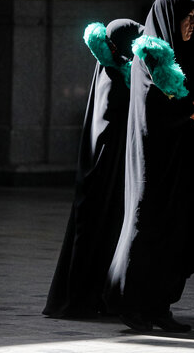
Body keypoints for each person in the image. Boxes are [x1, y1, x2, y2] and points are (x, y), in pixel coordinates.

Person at [103, 0, 194, 332]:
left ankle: (158, 306)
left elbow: (180, 96)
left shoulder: (174, 54)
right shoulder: (149, 52)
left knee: (174, 230)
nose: (193, 23)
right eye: (187, 16)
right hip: (154, 160)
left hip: (175, 159)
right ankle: (132, 304)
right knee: (148, 226)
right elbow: (155, 105)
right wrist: (188, 112)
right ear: (169, 17)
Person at [43, 19, 144, 318]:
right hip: (102, 177)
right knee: (93, 236)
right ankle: (79, 301)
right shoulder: (113, 76)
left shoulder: (114, 71)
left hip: (107, 176)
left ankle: (92, 297)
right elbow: (107, 132)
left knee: (101, 235)